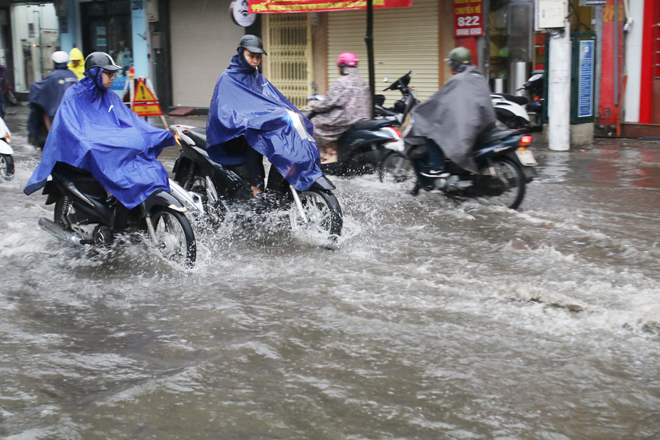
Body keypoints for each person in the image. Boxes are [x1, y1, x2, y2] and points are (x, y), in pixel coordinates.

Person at [24, 52, 175, 211]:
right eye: (108, 73)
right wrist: (88, 141)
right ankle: (111, 196)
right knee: (101, 152)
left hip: (104, 140)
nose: (112, 77)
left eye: (113, 74)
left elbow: (131, 120)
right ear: (95, 73)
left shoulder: (110, 96)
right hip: (85, 145)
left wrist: (156, 134)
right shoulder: (74, 94)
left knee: (139, 150)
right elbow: (68, 125)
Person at [206, 35, 322, 199]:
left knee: (280, 138)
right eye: (251, 56)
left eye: (258, 57)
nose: (255, 61)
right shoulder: (228, 77)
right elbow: (225, 111)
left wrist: (286, 112)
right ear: (241, 54)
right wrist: (246, 120)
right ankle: (257, 188)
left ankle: (277, 186)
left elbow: (269, 100)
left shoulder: (255, 76)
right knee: (255, 139)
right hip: (232, 134)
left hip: (253, 126)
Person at [404, 46, 496, 187]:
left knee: (432, 131)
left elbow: (438, 100)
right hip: (482, 123)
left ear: (455, 63)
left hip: (467, 126)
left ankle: (437, 166)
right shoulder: (477, 76)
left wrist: (421, 109)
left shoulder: (458, 80)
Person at [308, 52, 371, 163]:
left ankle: (328, 153)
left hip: (346, 119)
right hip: (361, 118)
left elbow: (327, 103)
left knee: (314, 123)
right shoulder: (362, 81)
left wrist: (314, 104)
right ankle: (330, 151)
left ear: (342, 67)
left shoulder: (342, 82)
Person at [27, 51, 78, 148]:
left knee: (44, 111)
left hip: (55, 110)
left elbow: (41, 88)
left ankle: (51, 137)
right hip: (72, 110)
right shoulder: (72, 75)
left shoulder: (54, 76)